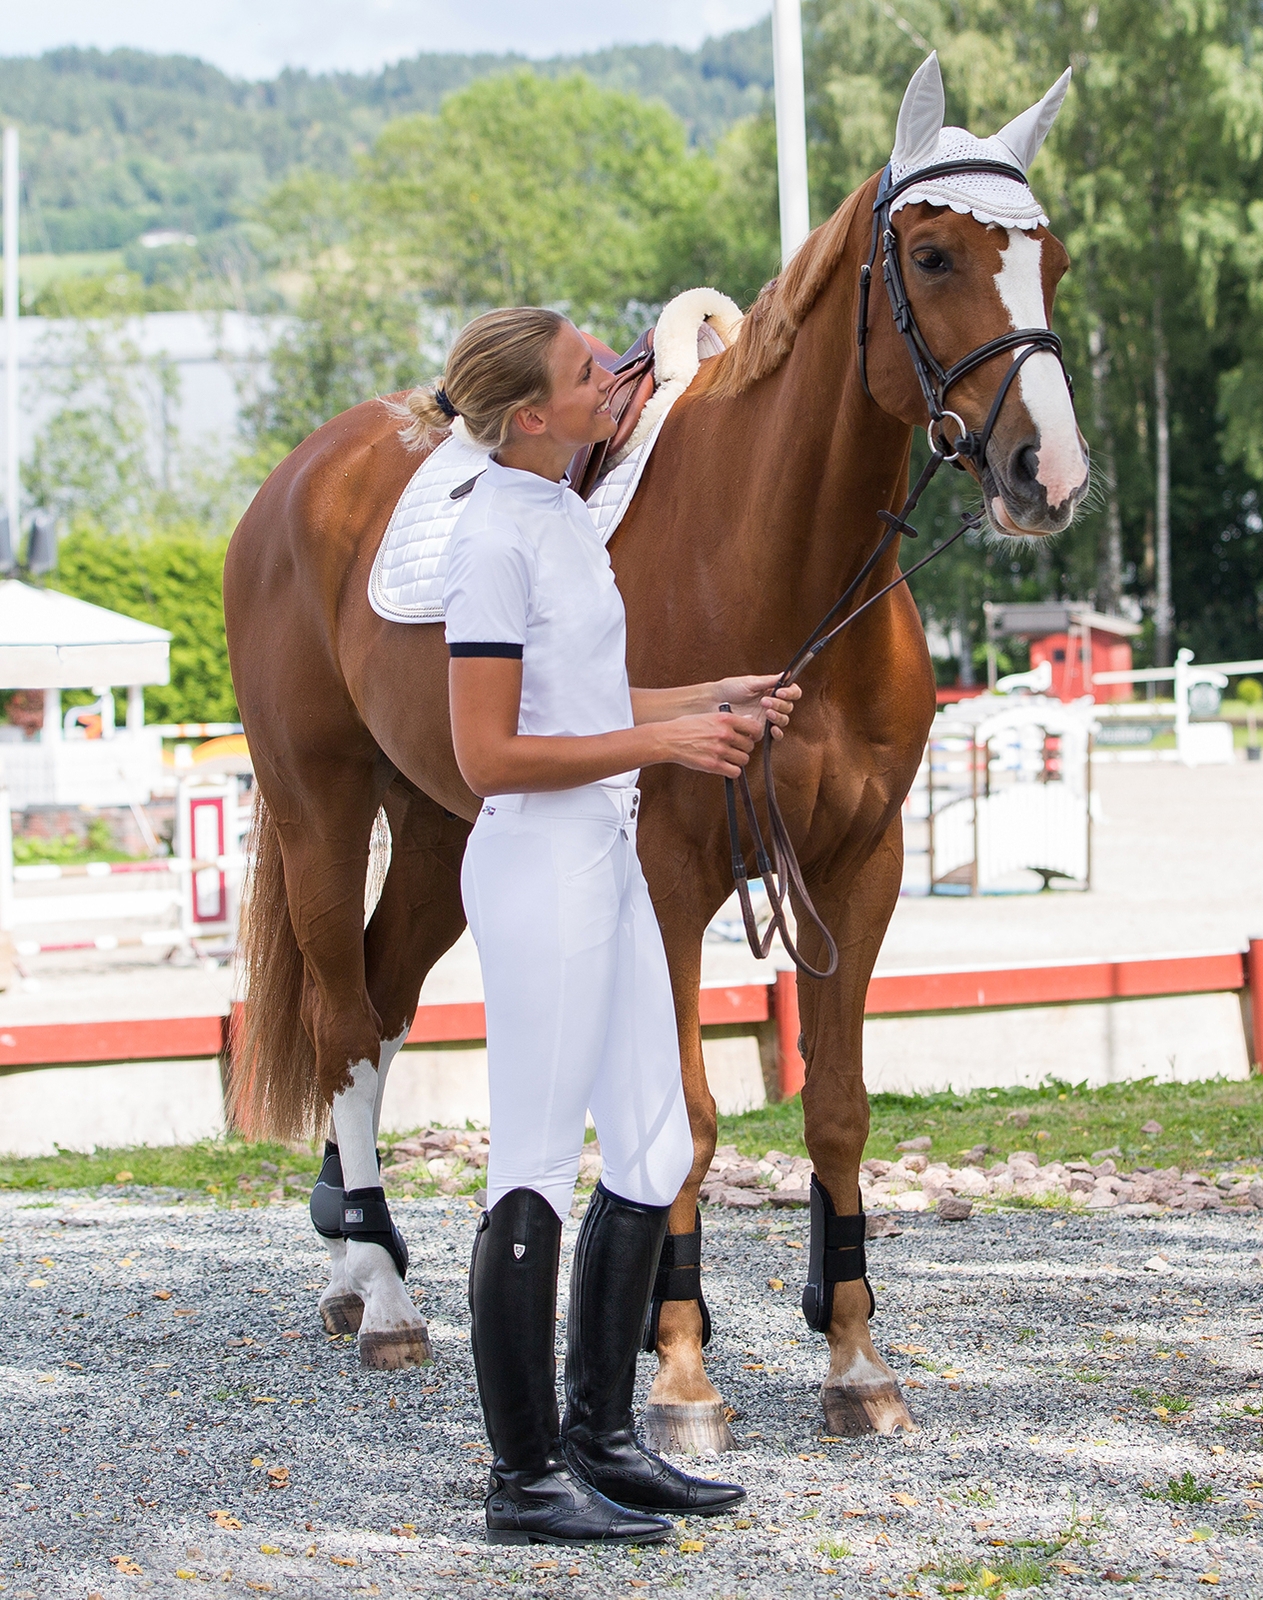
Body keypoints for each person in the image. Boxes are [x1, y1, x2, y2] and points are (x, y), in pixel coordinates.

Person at [398, 307, 800, 1546]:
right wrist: (673, 741)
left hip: (606, 854)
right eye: (587, 371)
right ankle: (524, 1481)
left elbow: (581, 695)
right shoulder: (492, 544)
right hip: (539, 871)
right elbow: (487, 751)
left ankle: (605, 1440)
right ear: (530, 417)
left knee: (654, 1135)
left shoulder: (564, 516)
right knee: (529, 1159)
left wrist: (708, 694)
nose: (612, 378)